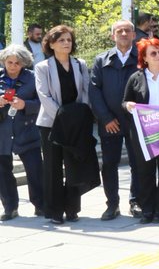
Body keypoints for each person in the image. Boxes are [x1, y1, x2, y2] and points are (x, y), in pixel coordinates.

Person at [33, 25, 93, 225]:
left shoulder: (80, 64)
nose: (67, 43)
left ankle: (72, 208)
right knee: (52, 167)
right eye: (61, 40)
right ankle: (55, 211)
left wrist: (79, 114)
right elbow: (44, 96)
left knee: (74, 165)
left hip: (75, 123)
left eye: (69, 40)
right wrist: (62, 117)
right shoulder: (42, 67)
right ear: (51, 44)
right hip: (51, 124)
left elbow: (85, 90)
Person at [122, 37, 159, 224]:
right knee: (144, 170)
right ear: (144, 58)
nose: (158, 56)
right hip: (143, 131)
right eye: (153, 53)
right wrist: (129, 105)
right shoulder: (136, 77)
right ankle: (147, 208)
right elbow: (124, 102)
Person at [88, 19, 141, 220]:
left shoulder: (141, 58)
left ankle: (135, 202)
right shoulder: (102, 60)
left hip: (135, 120)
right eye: (119, 31)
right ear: (113, 36)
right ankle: (112, 204)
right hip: (110, 122)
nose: (124, 34)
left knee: (137, 163)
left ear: (134, 35)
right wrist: (105, 118)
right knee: (109, 164)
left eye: (128, 31)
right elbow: (94, 91)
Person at [0, 44, 43, 220]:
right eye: (9, 62)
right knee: (2, 172)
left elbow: (43, 103)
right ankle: (10, 207)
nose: (12, 66)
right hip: (2, 132)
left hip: (27, 129)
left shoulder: (33, 78)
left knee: (35, 170)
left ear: (24, 63)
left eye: (17, 63)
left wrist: (25, 105)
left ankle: (41, 205)